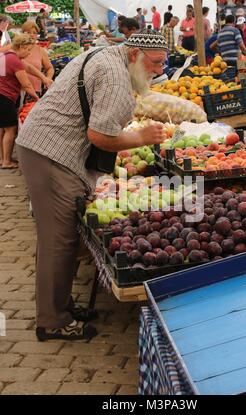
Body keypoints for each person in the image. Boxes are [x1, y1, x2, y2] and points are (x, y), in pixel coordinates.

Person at [16, 32, 169, 341]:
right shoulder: (115, 76)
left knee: (61, 238)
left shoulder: (111, 58)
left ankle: (62, 306)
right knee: (58, 240)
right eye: (154, 63)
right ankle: (53, 320)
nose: (157, 70)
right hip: (50, 154)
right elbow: (99, 135)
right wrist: (141, 138)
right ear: (136, 54)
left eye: (162, 64)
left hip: (48, 149)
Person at [0, 34, 39, 169]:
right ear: (21, 47)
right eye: (28, 50)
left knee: (3, 129)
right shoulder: (15, 60)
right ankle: (6, 161)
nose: (28, 53)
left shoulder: (6, 56)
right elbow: (26, 84)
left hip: (1, 95)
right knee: (11, 129)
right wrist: (37, 98)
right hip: (5, 97)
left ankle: (3, 158)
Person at [21, 21, 54, 95]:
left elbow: (49, 68)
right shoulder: (17, 49)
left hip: (35, 91)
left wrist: (48, 78)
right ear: (23, 33)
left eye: (34, 33)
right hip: (18, 90)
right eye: (29, 32)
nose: (32, 35)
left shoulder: (40, 50)